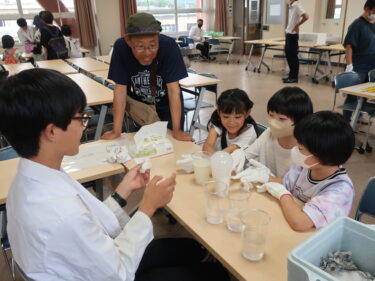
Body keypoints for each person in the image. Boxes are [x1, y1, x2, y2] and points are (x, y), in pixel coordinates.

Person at [0, 68, 229, 281]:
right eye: (80, 118)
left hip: (91, 263)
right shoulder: (60, 212)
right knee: (211, 274)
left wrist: (123, 191)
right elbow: (119, 273)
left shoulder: (29, 179)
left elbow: (91, 224)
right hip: (111, 273)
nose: (83, 126)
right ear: (51, 131)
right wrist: (148, 206)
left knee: (187, 249)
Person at [104, 13, 193, 142]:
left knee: (171, 144)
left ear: (158, 38)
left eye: (153, 46)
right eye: (140, 47)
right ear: (128, 40)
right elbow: (120, 90)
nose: (147, 53)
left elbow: (174, 90)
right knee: (143, 145)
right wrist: (116, 131)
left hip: (167, 106)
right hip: (141, 107)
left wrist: (177, 131)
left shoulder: (169, 46)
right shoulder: (121, 47)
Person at [262, 111, 355, 231]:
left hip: (315, 239)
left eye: (300, 148)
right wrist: (265, 177)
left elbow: (300, 223)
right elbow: (288, 184)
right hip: (290, 223)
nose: (295, 150)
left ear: (322, 155)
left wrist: (282, 194)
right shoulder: (306, 166)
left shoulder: (340, 190)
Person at [235, 87, 313, 179]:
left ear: (301, 121)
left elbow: (297, 187)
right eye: (271, 115)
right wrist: (238, 156)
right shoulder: (269, 133)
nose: (273, 122)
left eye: (282, 119)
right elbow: (248, 154)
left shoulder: (307, 151)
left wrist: (269, 179)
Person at [342, 0, 375, 121]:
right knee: (352, 95)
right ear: (367, 8)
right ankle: (345, 120)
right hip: (359, 66)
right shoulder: (357, 24)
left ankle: (357, 117)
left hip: (372, 67)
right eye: (374, 11)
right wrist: (349, 65)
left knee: (365, 95)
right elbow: (349, 45)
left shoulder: (373, 24)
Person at [203, 88, 259, 154]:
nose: (231, 122)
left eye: (237, 117)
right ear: (219, 113)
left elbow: (224, 155)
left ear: (247, 113)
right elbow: (207, 147)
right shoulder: (218, 123)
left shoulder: (249, 134)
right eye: (226, 117)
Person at [283, 0, 309, 83]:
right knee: (289, 56)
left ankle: (294, 77)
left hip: (292, 35)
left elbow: (306, 16)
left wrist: (298, 25)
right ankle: (291, 76)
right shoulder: (292, 6)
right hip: (289, 34)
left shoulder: (297, 5)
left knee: (293, 57)